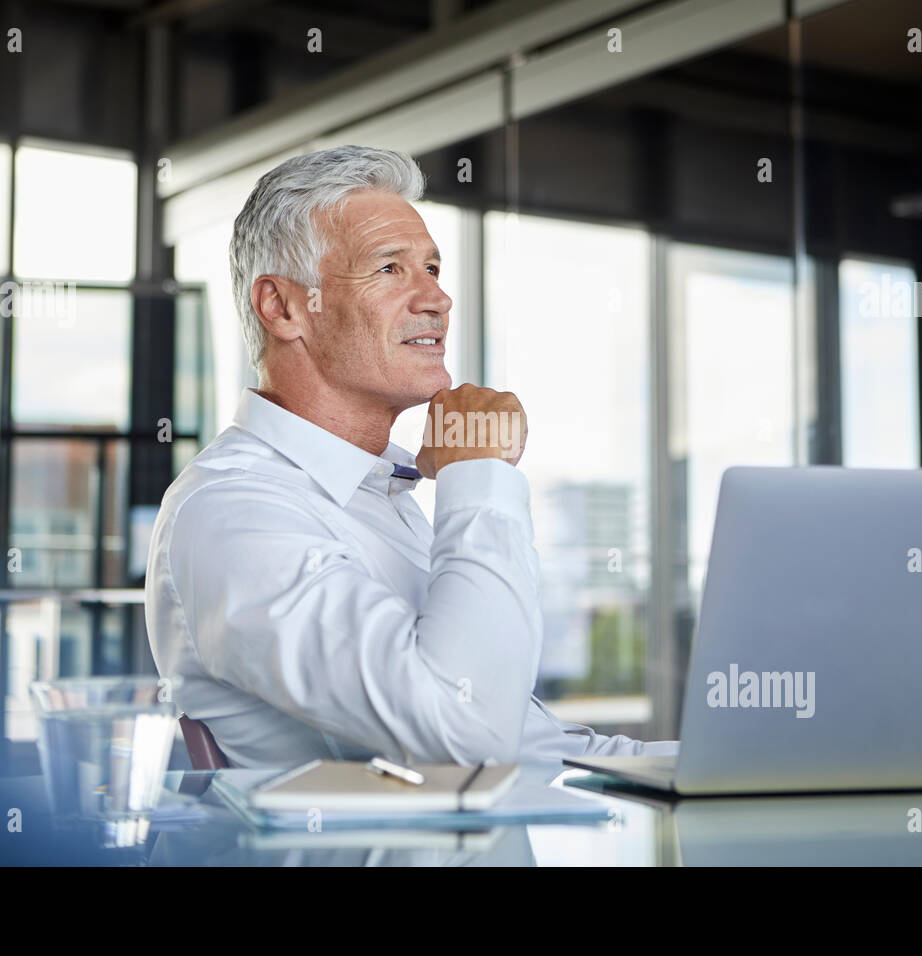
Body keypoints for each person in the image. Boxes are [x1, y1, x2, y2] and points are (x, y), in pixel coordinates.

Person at [145, 144, 678, 768]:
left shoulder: (379, 498)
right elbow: (465, 732)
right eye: (390, 269)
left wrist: (699, 769)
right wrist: (476, 473)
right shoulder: (233, 511)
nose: (437, 299)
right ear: (283, 307)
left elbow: (528, 744)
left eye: (432, 268)